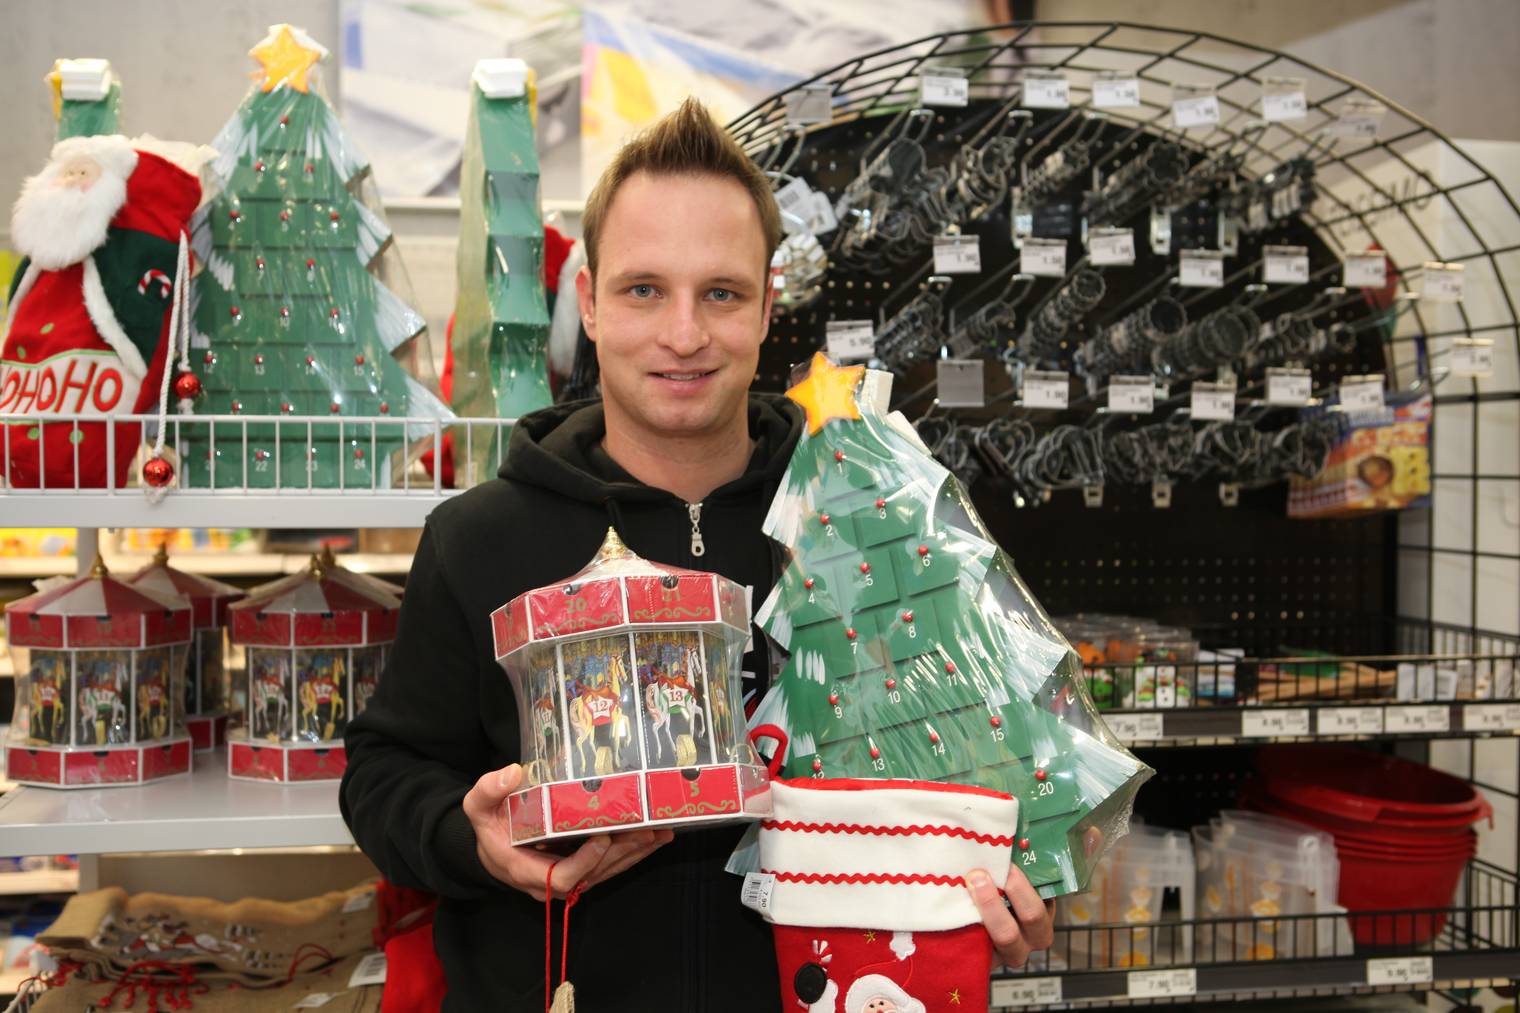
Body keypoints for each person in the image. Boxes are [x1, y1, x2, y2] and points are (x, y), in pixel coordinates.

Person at [341, 97, 1052, 1012]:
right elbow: (385, 771)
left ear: (768, 306)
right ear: (589, 303)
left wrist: (1000, 875)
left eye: (721, 292)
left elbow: (972, 754)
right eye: (644, 289)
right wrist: (462, 835)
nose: (684, 334)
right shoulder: (476, 538)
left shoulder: (868, 523)